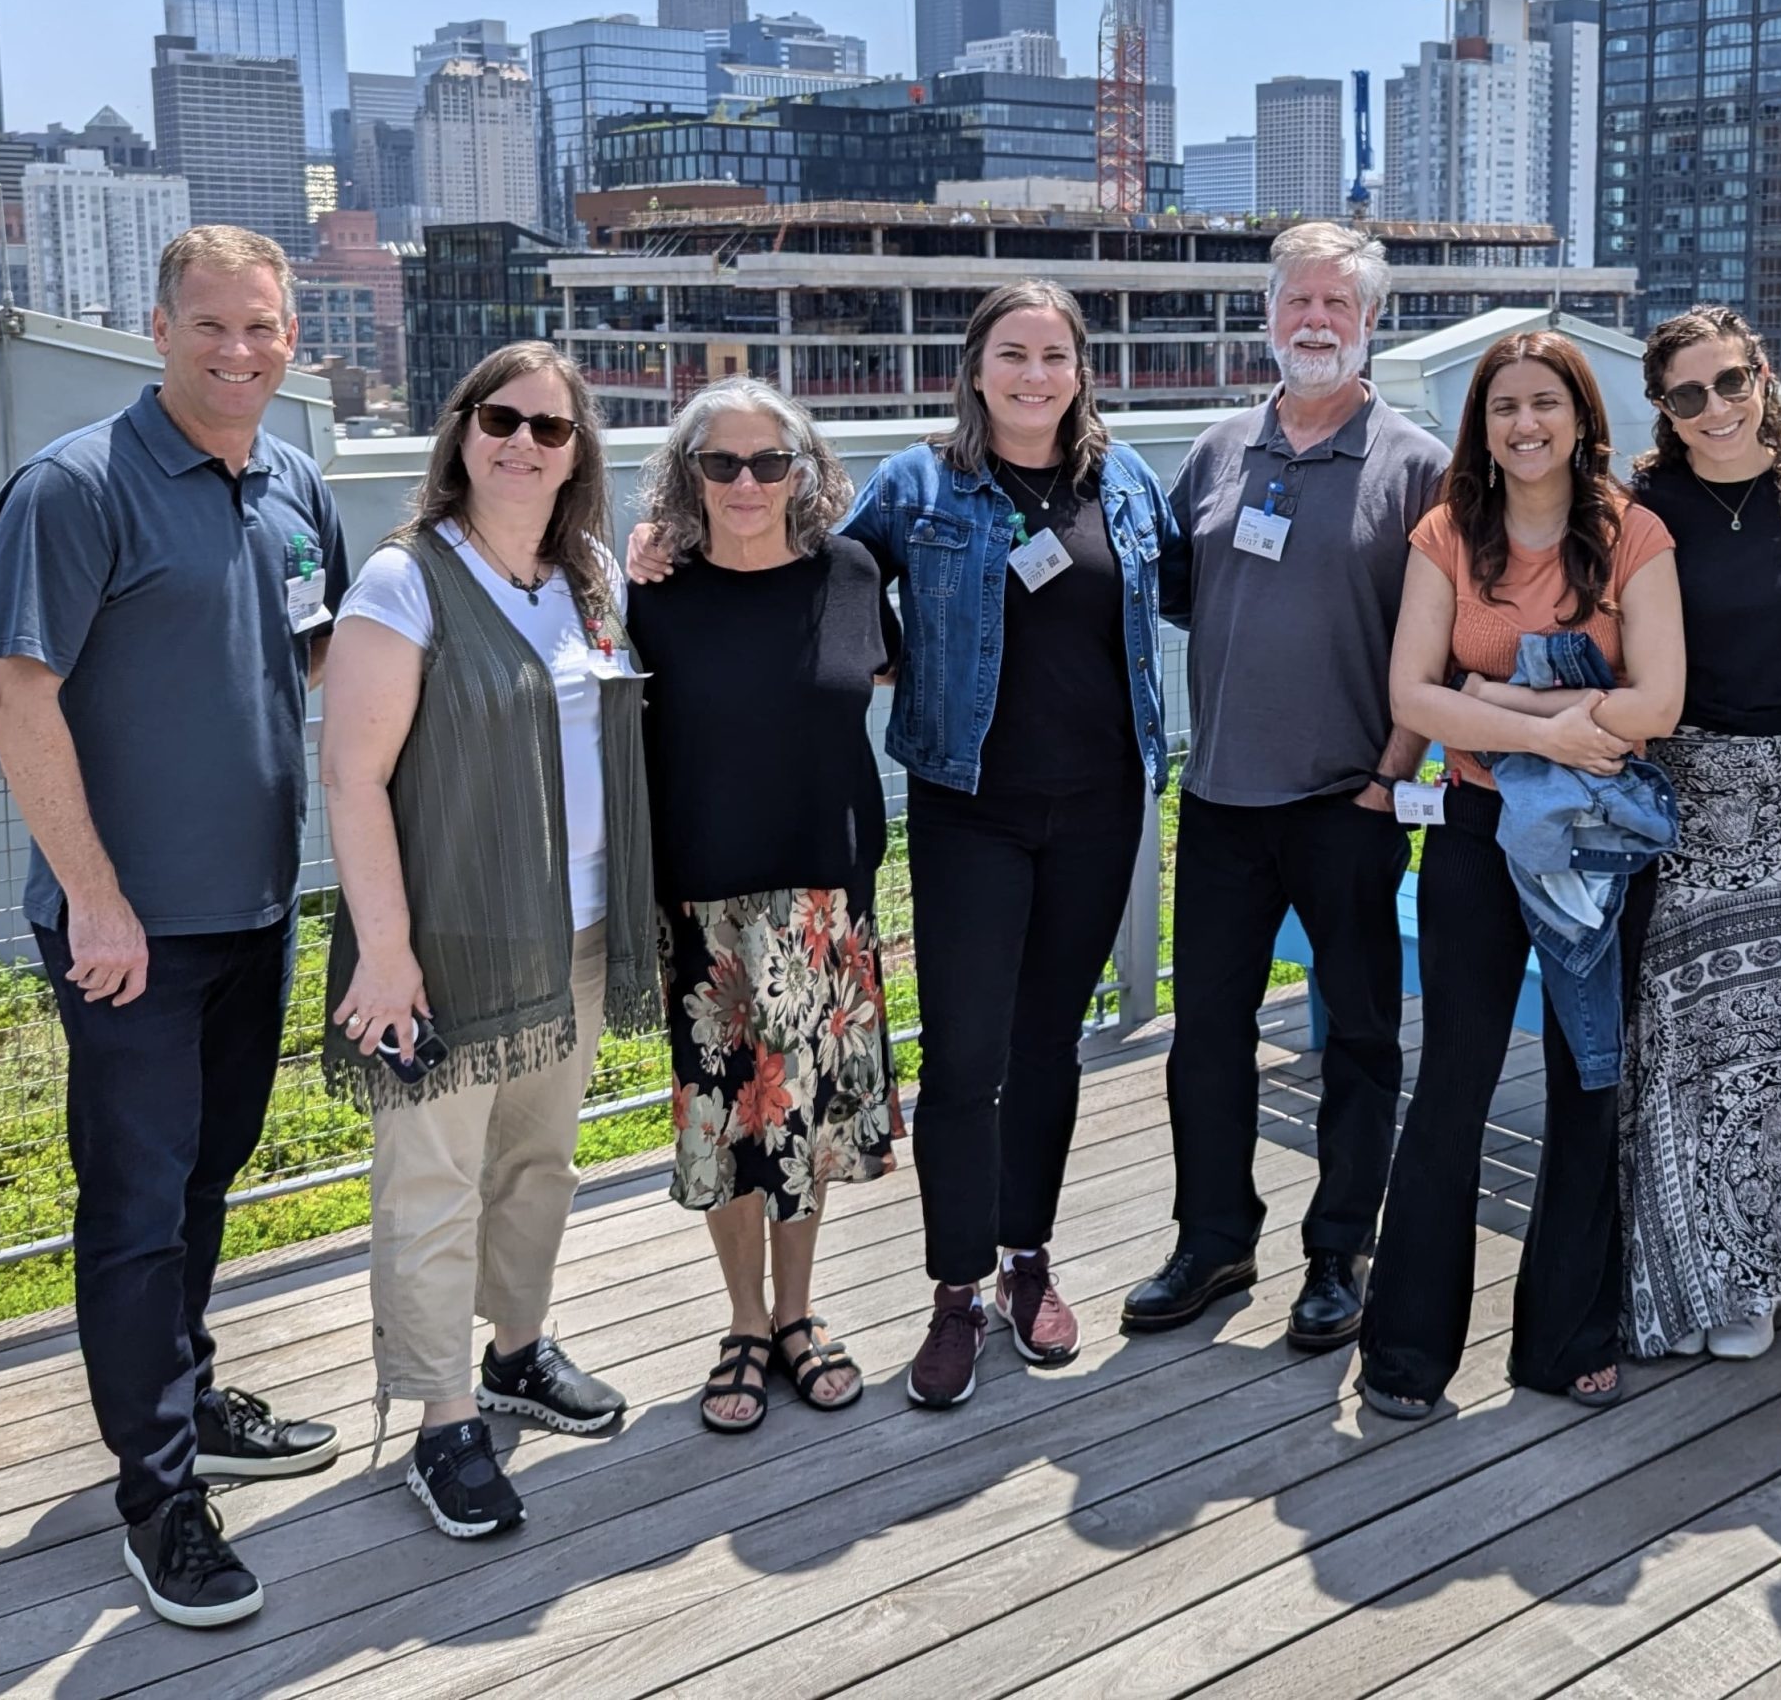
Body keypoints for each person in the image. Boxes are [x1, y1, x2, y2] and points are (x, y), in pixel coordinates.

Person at [0, 225, 343, 1628]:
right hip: (129, 930)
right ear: (157, 325)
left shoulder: (296, 480)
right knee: (134, 1205)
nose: (239, 352)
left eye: (262, 328)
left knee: (205, 1179)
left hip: (256, 904)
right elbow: (19, 695)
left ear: (291, 336)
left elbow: (330, 650)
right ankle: (159, 1493)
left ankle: (180, 1391)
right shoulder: (78, 486)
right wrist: (97, 896)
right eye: (212, 326)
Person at [319, 341, 654, 1540]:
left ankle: (517, 1352)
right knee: (433, 1183)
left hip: (568, 933)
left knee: (537, 1164)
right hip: (447, 942)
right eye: (499, 419)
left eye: (549, 429)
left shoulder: (590, 577)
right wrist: (387, 952)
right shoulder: (404, 582)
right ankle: (443, 1419)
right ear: (460, 433)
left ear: (577, 455)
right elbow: (352, 781)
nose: (522, 443)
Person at [839, 282, 1178, 1408]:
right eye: (1013, 354)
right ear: (975, 366)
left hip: (1099, 808)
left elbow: (1198, 584)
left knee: (1048, 1047)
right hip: (968, 804)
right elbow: (831, 580)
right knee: (965, 1057)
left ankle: (1026, 1258)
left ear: (1081, 370)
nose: (1035, 375)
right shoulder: (918, 481)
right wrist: (888, 653)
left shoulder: (1121, 480)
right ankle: (954, 1286)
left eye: (1056, 356)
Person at [1121, 220, 1450, 1350]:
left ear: (1369, 324)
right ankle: (1213, 1241)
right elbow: (1171, 594)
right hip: (1219, 801)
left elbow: (1445, 644)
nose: (1315, 322)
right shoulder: (1216, 451)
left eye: (1337, 307)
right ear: (1269, 318)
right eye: (1297, 303)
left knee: (1354, 1034)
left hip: (1348, 802)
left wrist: (1393, 775)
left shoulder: (1417, 466)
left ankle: (1338, 1251)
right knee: (1205, 1035)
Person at [1355, 329, 1685, 1416]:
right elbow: (1412, 695)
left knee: (1589, 1077)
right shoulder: (1447, 533)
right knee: (1451, 1081)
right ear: (1481, 428)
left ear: (1583, 419)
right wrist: (1549, 732)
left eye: (1546, 402)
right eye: (1505, 407)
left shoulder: (1633, 536)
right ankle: (1404, 1351)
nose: (1526, 423)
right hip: (1473, 834)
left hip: (1596, 849)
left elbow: (1655, 708)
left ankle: (1564, 1338)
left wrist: (1496, 706)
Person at [626, 379, 900, 1436]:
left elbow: (880, 674)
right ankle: (742, 1323)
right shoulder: (651, 586)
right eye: (720, 463)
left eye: (769, 462)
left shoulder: (849, 572)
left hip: (828, 894)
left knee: (809, 1128)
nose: (746, 483)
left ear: (805, 470)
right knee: (731, 1128)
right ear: (687, 475)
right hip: (705, 905)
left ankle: (796, 1314)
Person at [1620, 307, 1781, 1362]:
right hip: (1674, 793)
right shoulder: (1641, 501)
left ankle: (1773, 1271)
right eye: (1686, 395)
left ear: (1762, 375)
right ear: (1662, 410)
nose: (1714, 409)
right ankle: (1683, 1273)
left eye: (1730, 382)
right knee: (1679, 1045)